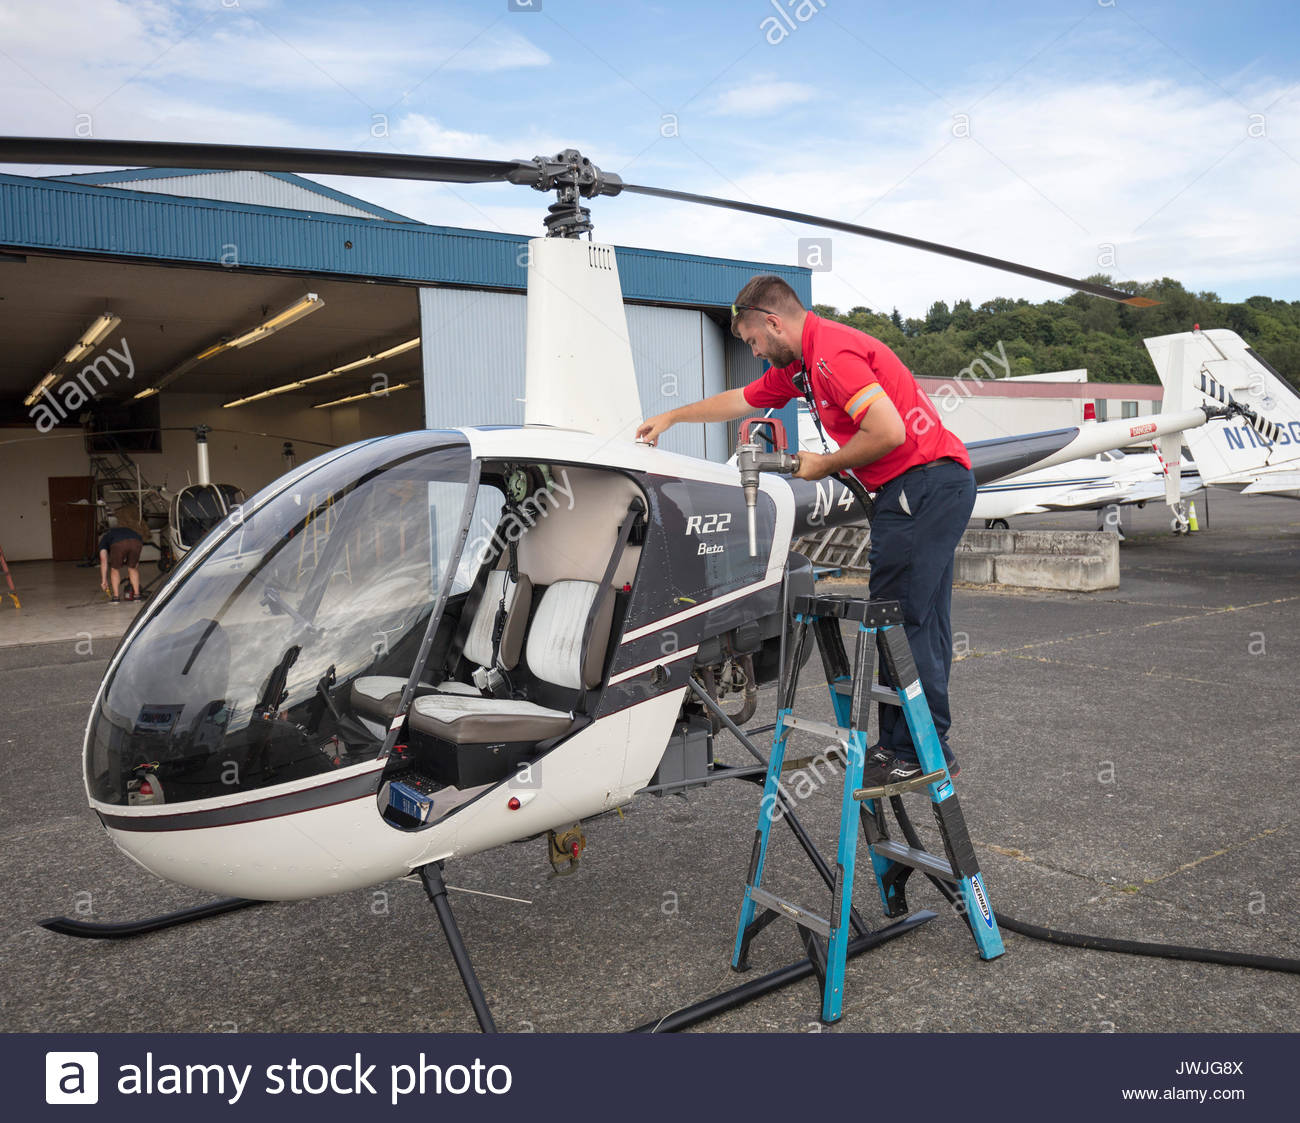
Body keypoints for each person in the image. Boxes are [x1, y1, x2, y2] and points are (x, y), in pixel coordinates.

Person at [636, 275, 975, 784]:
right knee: (922, 622)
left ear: (774, 323)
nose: (754, 351)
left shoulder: (830, 356)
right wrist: (672, 417)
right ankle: (926, 746)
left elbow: (888, 431)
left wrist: (824, 463)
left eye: (753, 340)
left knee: (899, 620)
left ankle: (910, 753)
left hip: (919, 486)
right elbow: (741, 399)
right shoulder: (803, 368)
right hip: (930, 487)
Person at [98, 506, 147, 603]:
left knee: (115, 569)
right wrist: (132, 567)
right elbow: (136, 563)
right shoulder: (125, 530)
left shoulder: (104, 539)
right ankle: (137, 596)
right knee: (132, 568)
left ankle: (116, 598)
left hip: (119, 543)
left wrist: (104, 580)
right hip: (137, 541)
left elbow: (103, 560)